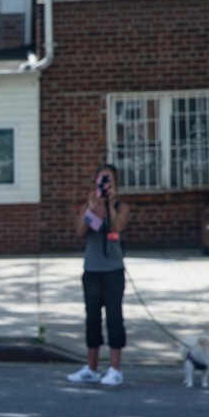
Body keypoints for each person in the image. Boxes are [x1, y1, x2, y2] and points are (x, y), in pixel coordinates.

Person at [67, 163, 130, 387]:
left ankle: (115, 369)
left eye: (109, 180)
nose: (104, 184)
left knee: (114, 318)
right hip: (92, 270)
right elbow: (80, 232)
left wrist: (109, 203)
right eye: (101, 180)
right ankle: (91, 368)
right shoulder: (89, 205)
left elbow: (116, 228)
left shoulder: (121, 207)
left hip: (113, 271)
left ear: (115, 184)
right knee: (92, 318)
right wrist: (92, 208)